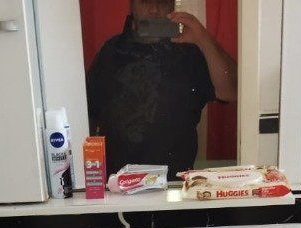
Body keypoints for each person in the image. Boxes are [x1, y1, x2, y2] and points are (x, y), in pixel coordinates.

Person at [86, 0, 237, 177]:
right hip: (118, 184)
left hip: (173, 184)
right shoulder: (111, 51)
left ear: (172, 5)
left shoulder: (189, 52)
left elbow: (232, 91)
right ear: (132, 5)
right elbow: (89, 116)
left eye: (162, 1)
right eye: (145, 1)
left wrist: (203, 38)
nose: (154, 10)